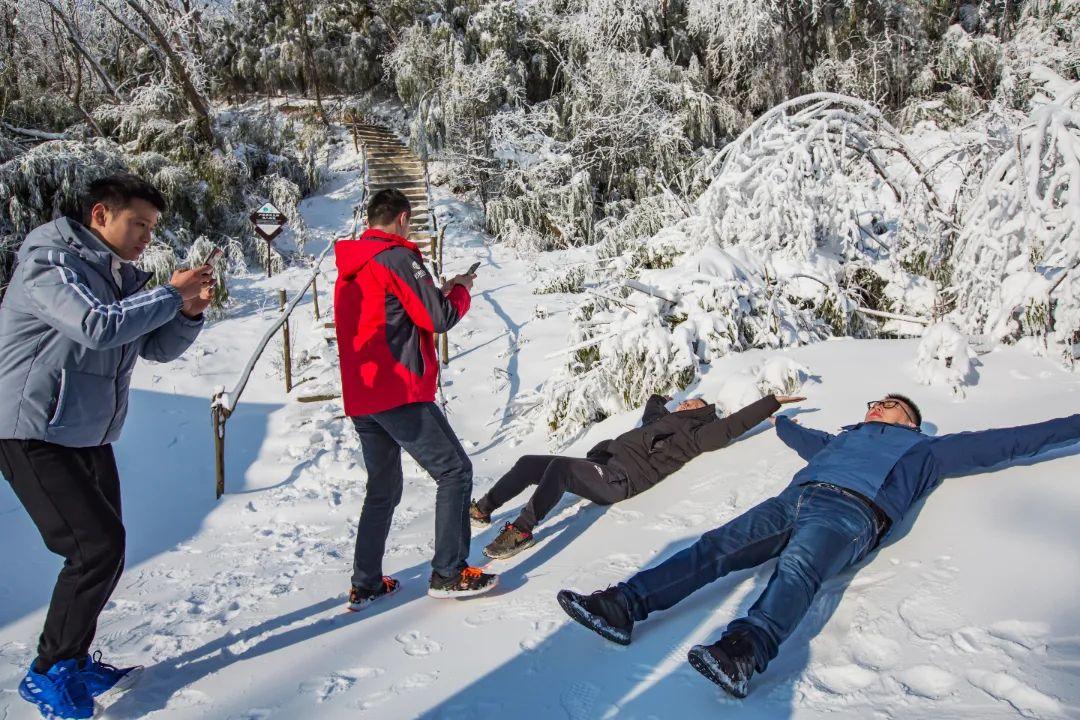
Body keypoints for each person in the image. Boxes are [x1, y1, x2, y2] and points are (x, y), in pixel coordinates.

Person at [557, 394, 1080, 699]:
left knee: (799, 569)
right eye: (875, 402)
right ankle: (623, 605)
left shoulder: (929, 451)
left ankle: (743, 652)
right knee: (713, 547)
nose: (877, 406)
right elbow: (801, 440)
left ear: (910, 422)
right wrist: (780, 420)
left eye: (890, 405)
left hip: (851, 511)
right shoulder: (841, 440)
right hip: (793, 500)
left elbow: (1013, 440)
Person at [0, 174, 213, 719]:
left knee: (107, 551)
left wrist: (186, 312)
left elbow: (153, 346)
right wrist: (170, 292)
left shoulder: (115, 277)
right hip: (31, 428)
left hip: (86, 432)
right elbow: (96, 327)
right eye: (137, 223)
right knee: (92, 549)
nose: (146, 236)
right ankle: (47, 673)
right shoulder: (51, 263)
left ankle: (70, 660)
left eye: (151, 227)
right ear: (100, 215)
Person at [334, 188, 497, 608]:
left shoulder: (351, 266)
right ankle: (449, 572)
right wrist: (459, 290)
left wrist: (435, 291)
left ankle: (365, 582)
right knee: (454, 471)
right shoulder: (399, 258)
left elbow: (393, 312)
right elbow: (438, 318)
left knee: (383, 487)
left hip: (362, 393)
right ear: (403, 218)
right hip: (398, 387)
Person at [472, 393, 805, 559]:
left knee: (560, 469)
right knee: (530, 462)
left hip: (618, 480)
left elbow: (732, 426)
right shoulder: (662, 424)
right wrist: (660, 397)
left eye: (692, 403)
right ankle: (484, 507)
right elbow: (653, 411)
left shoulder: (696, 436)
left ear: (699, 414)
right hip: (603, 467)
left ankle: (521, 531)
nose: (685, 402)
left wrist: (771, 401)